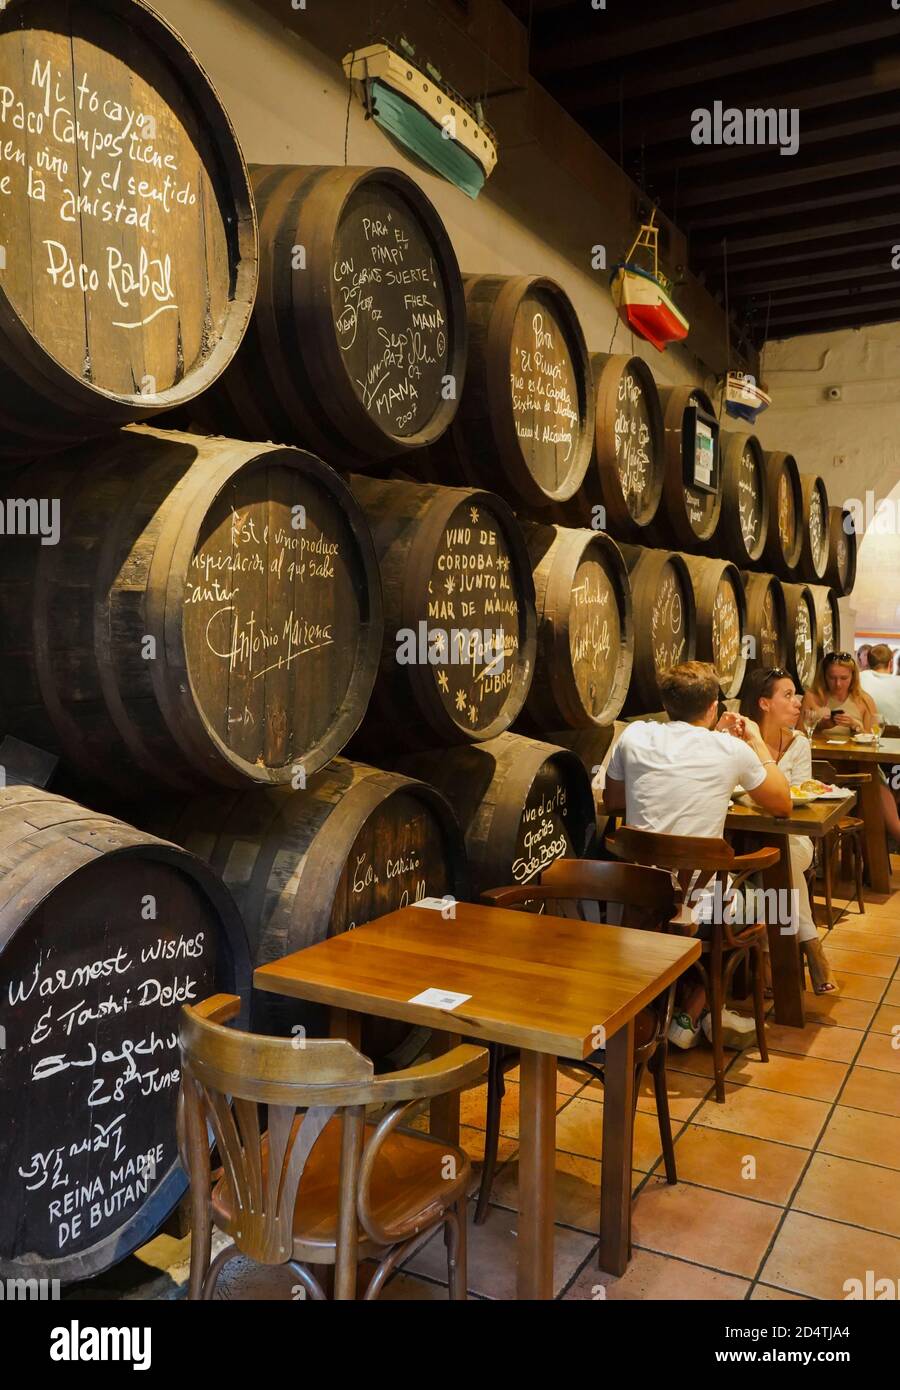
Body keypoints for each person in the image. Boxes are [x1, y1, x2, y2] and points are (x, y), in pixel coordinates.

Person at [604, 661, 792, 1050]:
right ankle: (696, 1006)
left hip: (639, 897)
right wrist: (755, 740)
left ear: (667, 704)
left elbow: (613, 800)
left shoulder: (635, 735)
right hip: (699, 909)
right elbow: (782, 804)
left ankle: (679, 1007)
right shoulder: (730, 748)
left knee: (701, 896)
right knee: (769, 899)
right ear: (713, 706)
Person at [740, 668, 837, 994]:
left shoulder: (798, 744)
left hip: (794, 837)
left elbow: (797, 796)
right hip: (747, 838)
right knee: (769, 867)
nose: (797, 702)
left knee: (781, 860)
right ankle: (810, 945)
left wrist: (761, 796)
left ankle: (770, 957)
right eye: (787, 695)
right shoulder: (739, 741)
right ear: (764, 703)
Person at [803, 651, 900, 843]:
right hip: (820, 768)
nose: (838, 684)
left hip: (856, 766)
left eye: (843, 678)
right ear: (824, 676)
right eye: (832, 677)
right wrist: (822, 724)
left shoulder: (863, 699)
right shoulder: (813, 697)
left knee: (875, 780)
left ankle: (890, 839)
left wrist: (857, 726)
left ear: (853, 677)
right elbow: (800, 735)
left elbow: (874, 737)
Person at [860, 643, 900, 727]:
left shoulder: (859, 678)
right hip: (896, 736)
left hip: (866, 734)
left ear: (868, 662)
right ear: (891, 663)